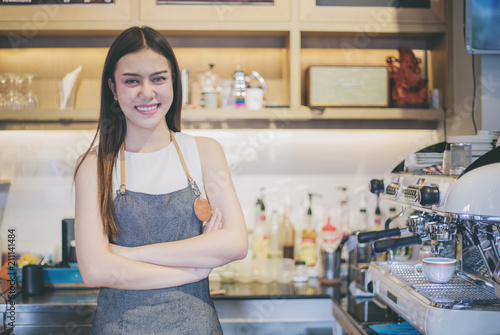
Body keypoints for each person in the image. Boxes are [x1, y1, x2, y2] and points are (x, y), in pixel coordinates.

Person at [74, 26, 248, 334]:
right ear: (113, 88)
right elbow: (95, 270)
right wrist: (195, 268)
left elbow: (235, 243)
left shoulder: (205, 152)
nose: (147, 92)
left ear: (173, 82)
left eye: (158, 78)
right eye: (132, 81)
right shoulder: (94, 166)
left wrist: (128, 254)